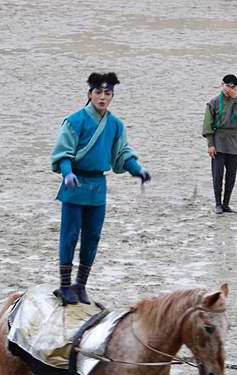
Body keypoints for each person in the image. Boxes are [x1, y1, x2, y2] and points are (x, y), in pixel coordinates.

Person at [50, 72, 150, 305]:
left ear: (112, 96)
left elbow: (123, 154)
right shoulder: (75, 121)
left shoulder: (115, 125)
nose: (102, 97)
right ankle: (65, 286)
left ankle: (81, 285)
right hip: (75, 186)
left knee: (92, 237)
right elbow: (63, 153)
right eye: (98, 92)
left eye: (107, 93)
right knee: (70, 235)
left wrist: (137, 170)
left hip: (97, 188)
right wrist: (68, 173)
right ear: (90, 94)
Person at [203, 74, 237, 214]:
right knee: (217, 174)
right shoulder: (213, 102)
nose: (229, 89)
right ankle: (218, 204)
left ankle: (226, 204)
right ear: (221, 84)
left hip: (233, 141)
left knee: (231, 175)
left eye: (232, 87)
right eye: (227, 86)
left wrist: (236, 99)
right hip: (218, 141)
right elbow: (207, 126)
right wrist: (210, 144)